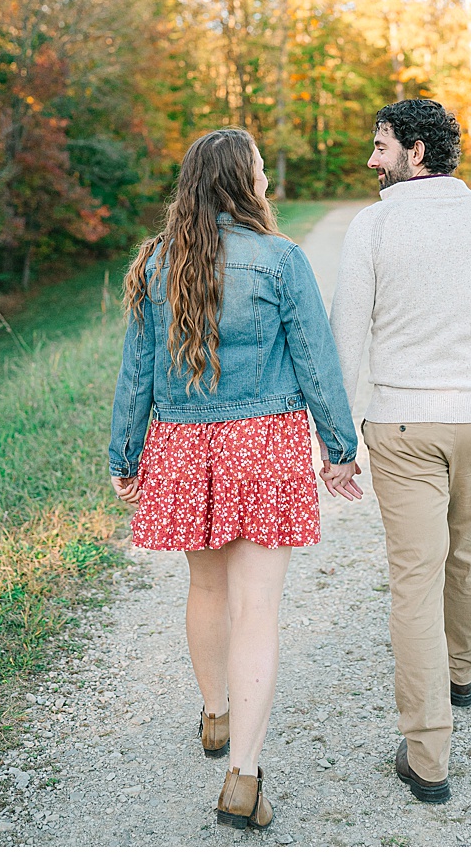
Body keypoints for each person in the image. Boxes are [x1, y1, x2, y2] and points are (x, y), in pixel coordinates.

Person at [108, 128, 359, 831]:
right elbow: (316, 359)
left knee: (206, 586)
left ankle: (216, 712)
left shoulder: (158, 262)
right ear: (246, 182)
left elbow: (137, 372)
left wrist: (126, 455)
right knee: (258, 608)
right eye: (260, 171)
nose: (268, 184)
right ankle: (242, 776)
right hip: (264, 444)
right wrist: (339, 448)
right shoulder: (281, 259)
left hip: (183, 444)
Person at [328, 98, 471, 804]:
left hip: (400, 426)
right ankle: (466, 665)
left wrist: (338, 438)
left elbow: (345, 342)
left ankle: (428, 754)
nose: (372, 159)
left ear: (416, 152)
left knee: (414, 580)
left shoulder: (373, 226)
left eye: (382, 146)